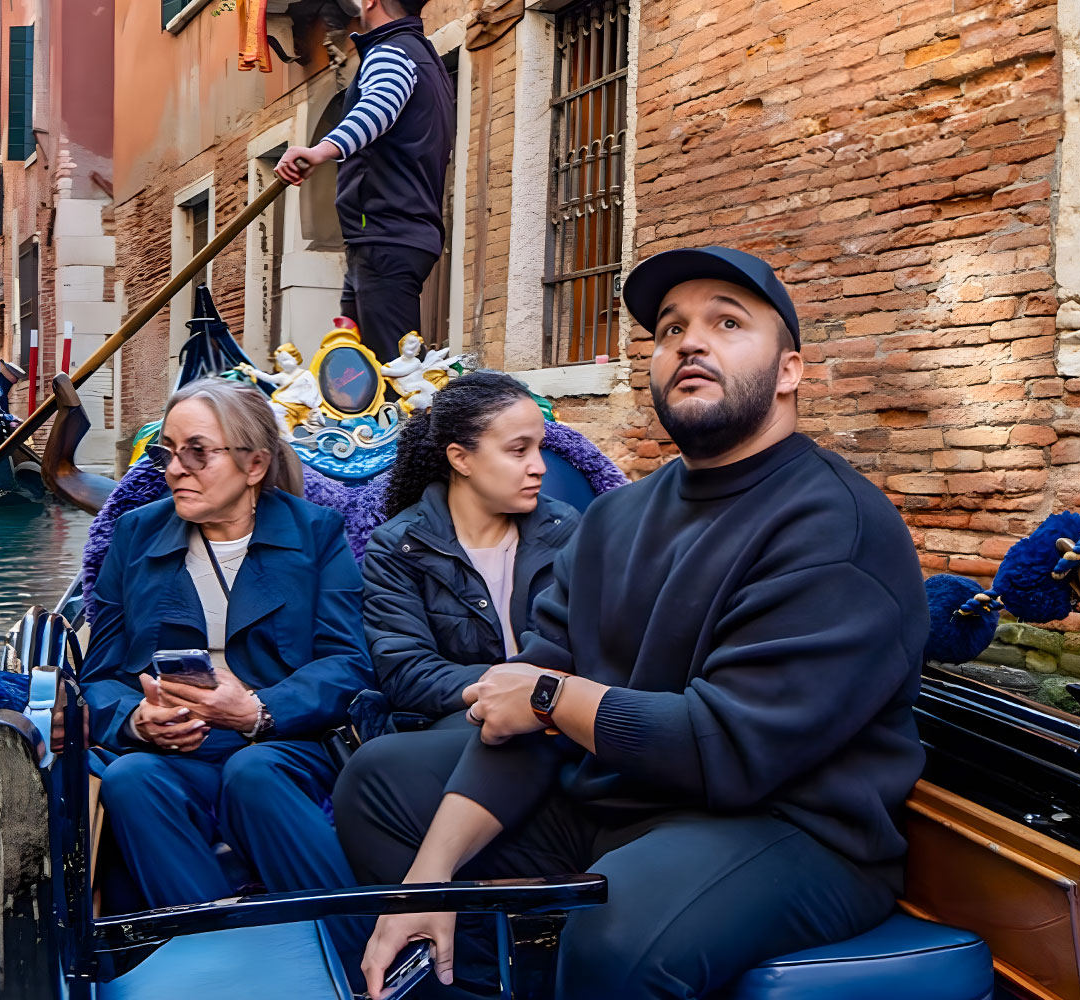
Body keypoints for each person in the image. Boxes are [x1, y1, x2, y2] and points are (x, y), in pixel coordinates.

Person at [336, 246, 929, 999]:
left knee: (617, 932)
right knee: (379, 785)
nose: (689, 340)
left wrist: (551, 696)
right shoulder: (615, 517)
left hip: (790, 829)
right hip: (620, 796)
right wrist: (426, 882)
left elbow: (729, 747)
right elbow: (522, 716)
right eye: (670, 328)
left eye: (727, 322)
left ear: (789, 372)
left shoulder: (835, 526)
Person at [80, 377, 373, 910]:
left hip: (286, 743)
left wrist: (258, 710)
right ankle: (217, 952)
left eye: (197, 453)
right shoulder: (133, 534)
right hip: (175, 748)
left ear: (255, 466)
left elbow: (348, 662)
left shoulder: (317, 534)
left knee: (252, 772)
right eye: (166, 451)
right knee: (129, 778)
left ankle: (353, 957)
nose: (174, 469)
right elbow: (98, 676)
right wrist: (135, 721)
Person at [362, 371, 579, 727]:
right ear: (461, 459)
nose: (539, 467)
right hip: (460, 722)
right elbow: (407, 673)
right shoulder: (398, 547)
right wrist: (507, 689)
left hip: (563, 718)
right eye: (518, 450)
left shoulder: (564, 528)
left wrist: (544, 696)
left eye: (540, 448)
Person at [273, 0, 454, 363]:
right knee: (356, 372)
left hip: (386, 236)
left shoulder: (391, 52)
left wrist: (322, 151)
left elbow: (378, 107)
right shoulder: (422, 57)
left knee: (395, 375)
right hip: (386, 237)